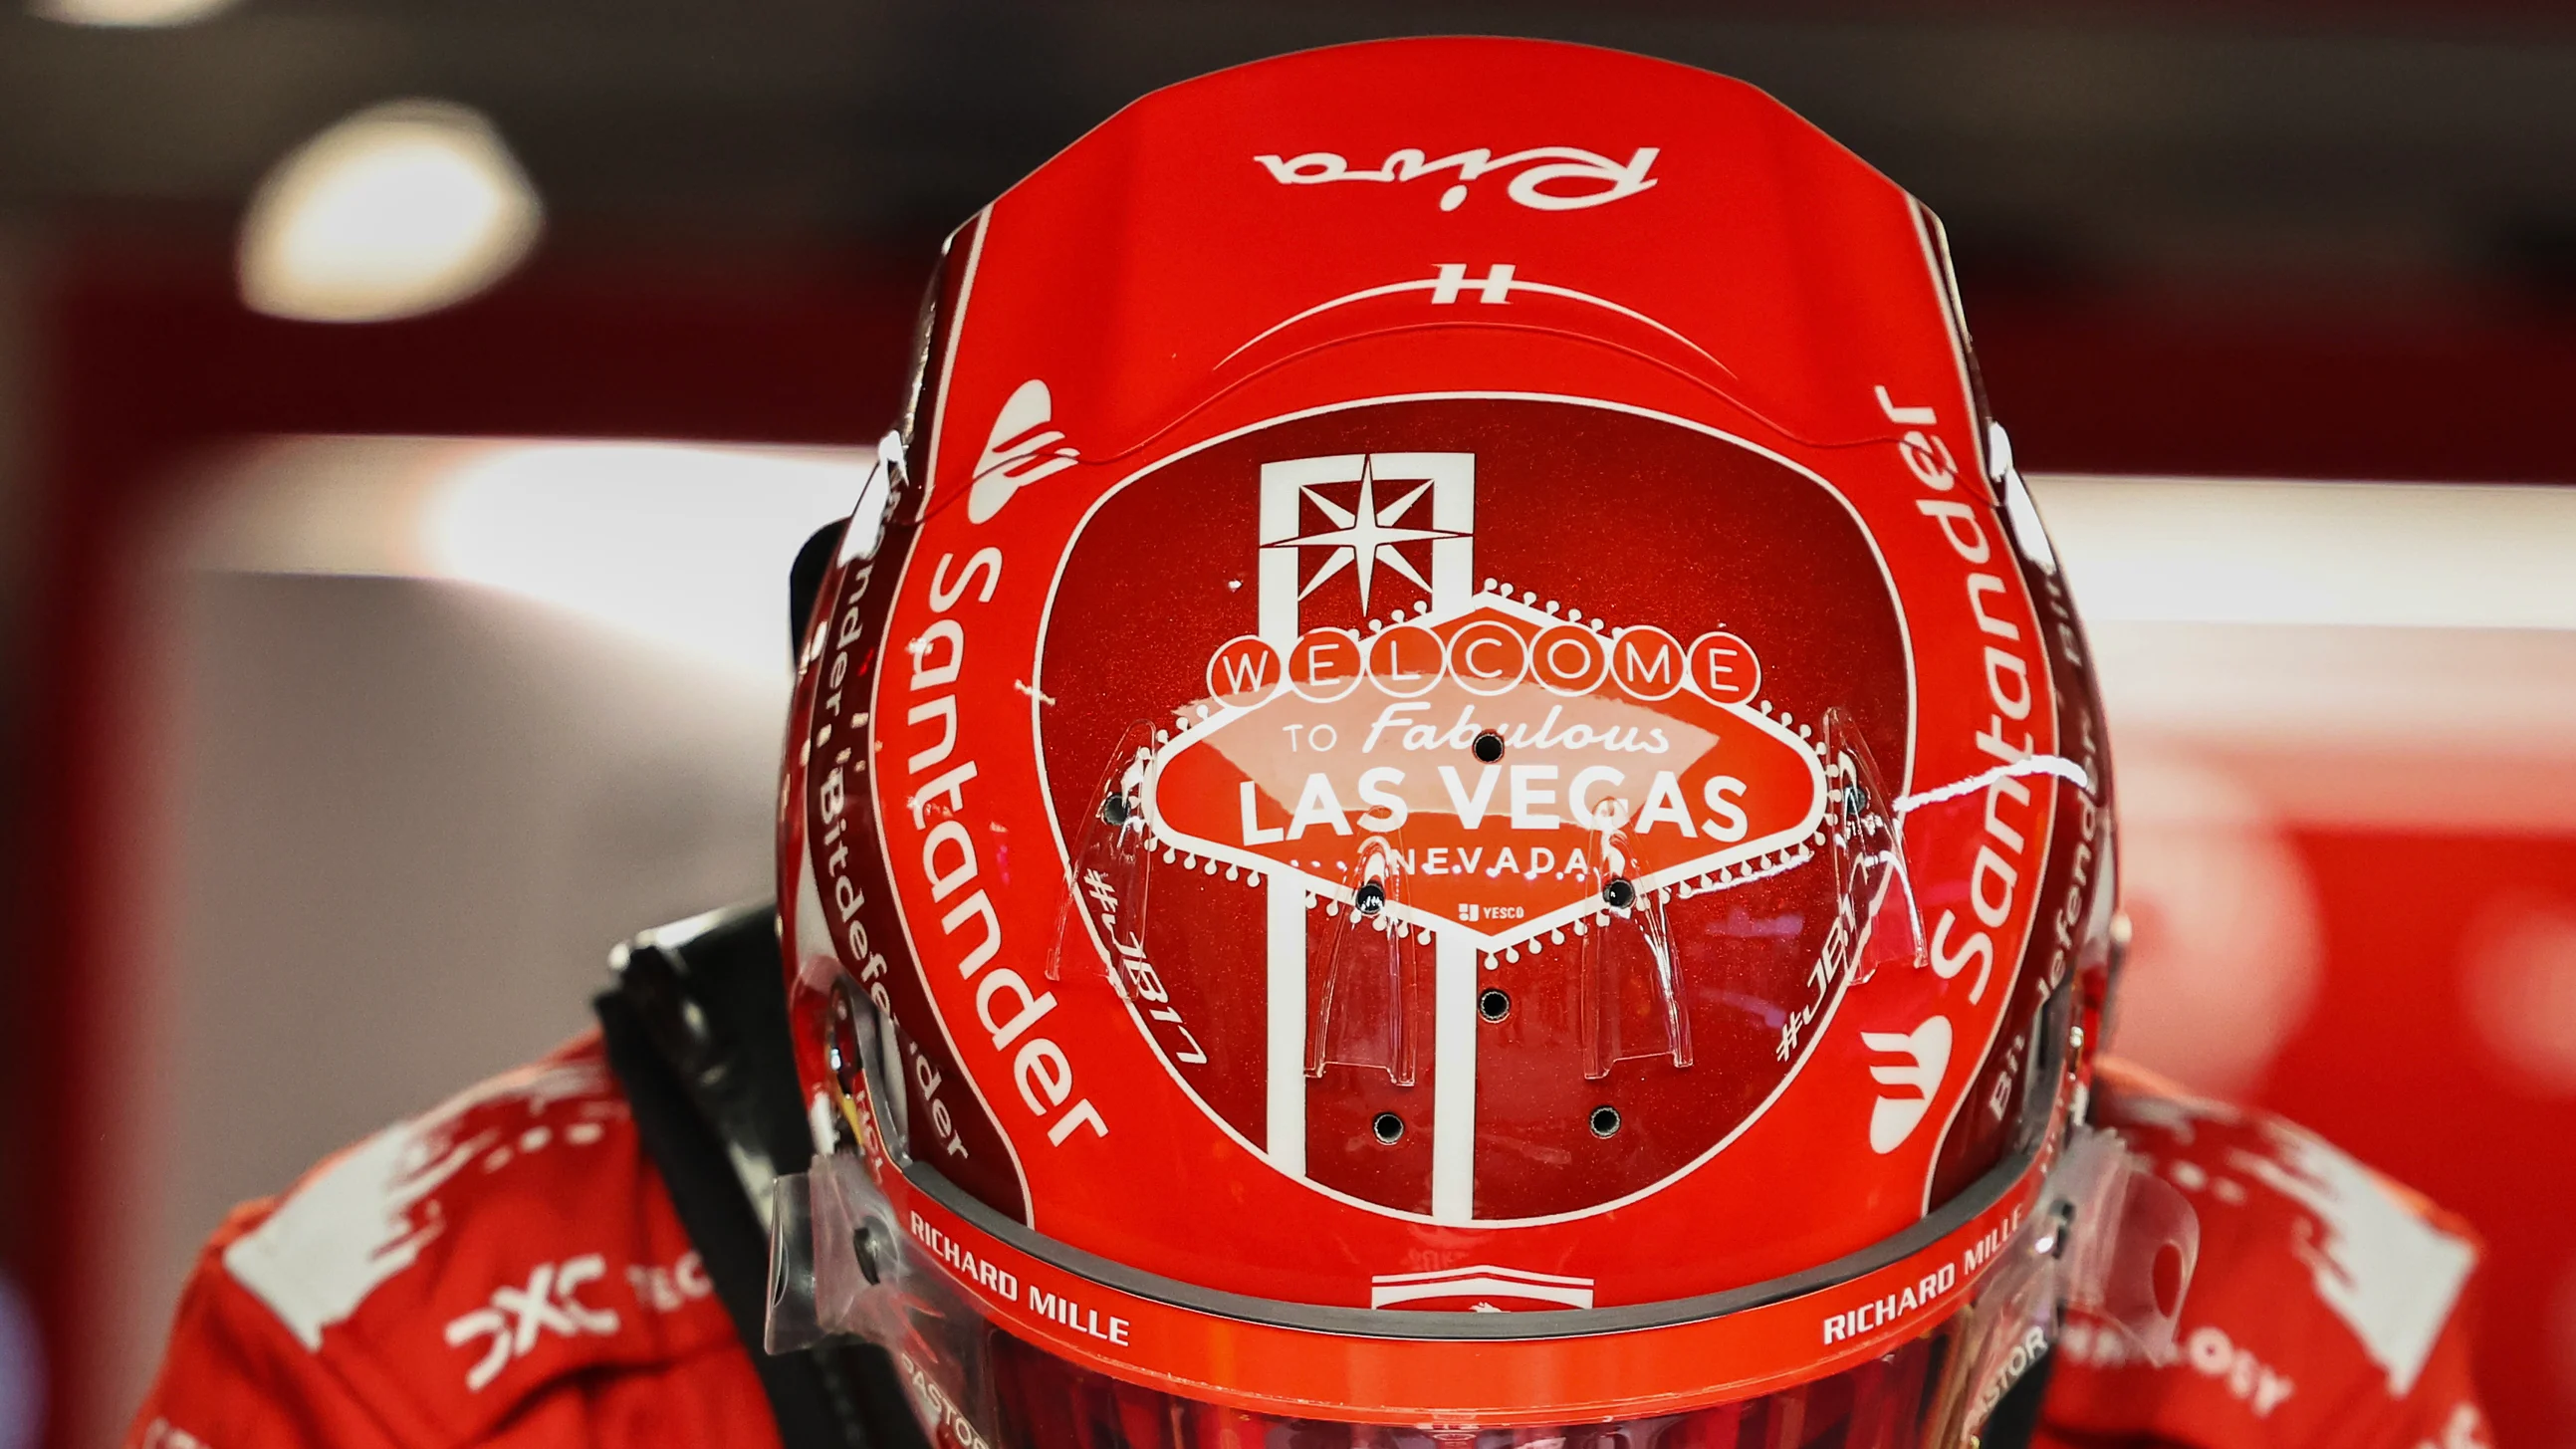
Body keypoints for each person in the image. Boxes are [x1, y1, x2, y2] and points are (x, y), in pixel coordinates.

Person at [127, 36, 2488, 1449]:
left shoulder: (2310, 1365)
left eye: (1712, 1432)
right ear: (858, 1157)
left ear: (2041, 1184)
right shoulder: (422, 1372)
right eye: (1182, 1425)